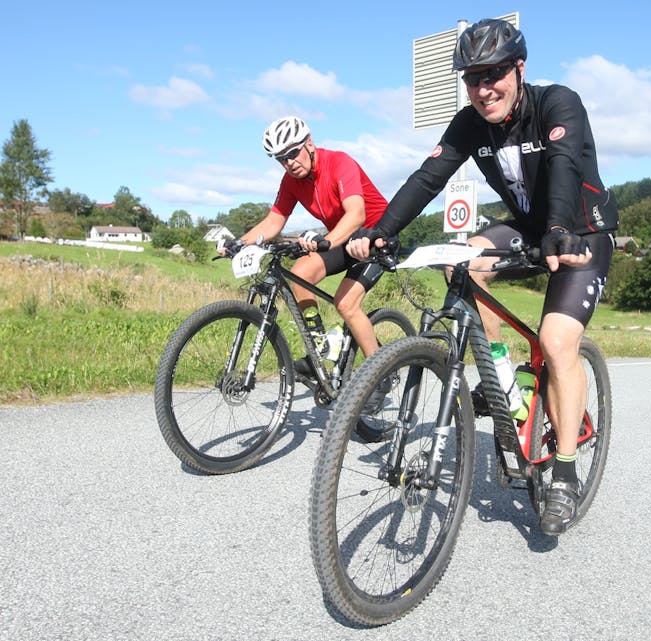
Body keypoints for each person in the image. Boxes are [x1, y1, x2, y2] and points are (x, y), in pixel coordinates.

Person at [347, 18, 618, 535]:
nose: (483, 88)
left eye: (493, 74)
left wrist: (560, 229)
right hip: (525, 227)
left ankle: (563, 471)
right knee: (459, 260)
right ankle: (497, 375)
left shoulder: (559, 103)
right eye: (472, 78)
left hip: (580, 232)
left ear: (519, 68)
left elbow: (563, 166)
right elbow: (428, 177)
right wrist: (382, 232)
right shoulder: (469, 122)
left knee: (557, 342)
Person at [221, 116, 389, 391]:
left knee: (345, 303)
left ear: (309, 144)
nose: (289, 163)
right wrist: (239, 243)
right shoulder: (290, 181)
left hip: (375, 236)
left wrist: (326, 241)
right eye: (281, 159)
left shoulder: (339, 162)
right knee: (299, 275)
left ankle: (378, 378)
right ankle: (320, 351)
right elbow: (274, 223)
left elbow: (357, 214)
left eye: (292, 153)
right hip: (341, 238)